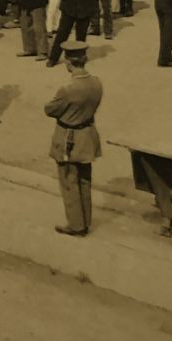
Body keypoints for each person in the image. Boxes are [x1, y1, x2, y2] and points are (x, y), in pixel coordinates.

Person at [44, 39, 103, 236]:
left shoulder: (68, 90)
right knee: (85, 180)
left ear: (68, 63)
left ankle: (76, 225)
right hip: (88, 135)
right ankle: (86, 221)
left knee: (69, 180)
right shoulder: (96, 83)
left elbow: (50, 110)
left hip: (69, 138)